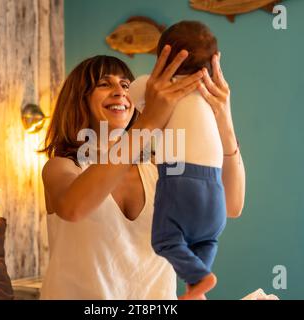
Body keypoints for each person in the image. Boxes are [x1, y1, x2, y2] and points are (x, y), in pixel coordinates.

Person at [39, 45, 245, 299]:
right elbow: (73, 208)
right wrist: (148, 123)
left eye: (126, 85)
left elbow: (230, 205)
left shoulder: (161, 169)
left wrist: (223, 117)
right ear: (79, 99)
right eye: (105, 84)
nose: (120, 92)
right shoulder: (62, 167)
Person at [129, 21, 228, 300]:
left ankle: (199, 278)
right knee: (206, 238)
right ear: (211, 64)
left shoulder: (157, 86)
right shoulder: (213, 95)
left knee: (164, 240)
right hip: (215, 186)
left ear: (162, 58)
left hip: (179, 175)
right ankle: (198, 282)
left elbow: (132, 98)